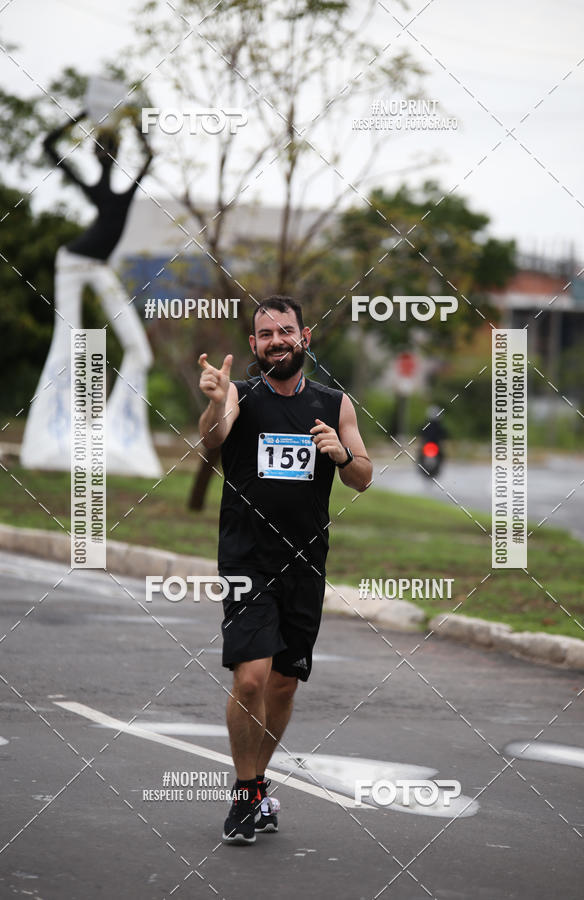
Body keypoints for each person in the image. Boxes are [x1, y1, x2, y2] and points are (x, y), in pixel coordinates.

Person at [198, 295, 372, 844]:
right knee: (250, 678)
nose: (277, 341)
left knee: (283, 684)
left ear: (305, 337)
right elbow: (212, 438)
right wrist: (214, 401)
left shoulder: (334, 402)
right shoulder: (241, 396)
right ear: (254, 346)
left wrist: (341, 454)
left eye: (286, 331)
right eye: (266, 334)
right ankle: (246, 794)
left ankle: (255, 785)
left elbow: (364, 476)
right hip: (247, 559)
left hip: (305, 562)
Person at [20, 110, 161, 475]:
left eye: (109, 152)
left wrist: (131, 123)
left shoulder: (123, 190)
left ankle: (119, 437)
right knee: (66, 343)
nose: (106, 158)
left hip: (99, 268)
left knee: (139, 351)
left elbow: (150, 157)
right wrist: (81, 116)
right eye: (103, 152)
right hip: (70, 263)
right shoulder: (96, 189)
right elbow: (49, 147)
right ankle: (50, 434)